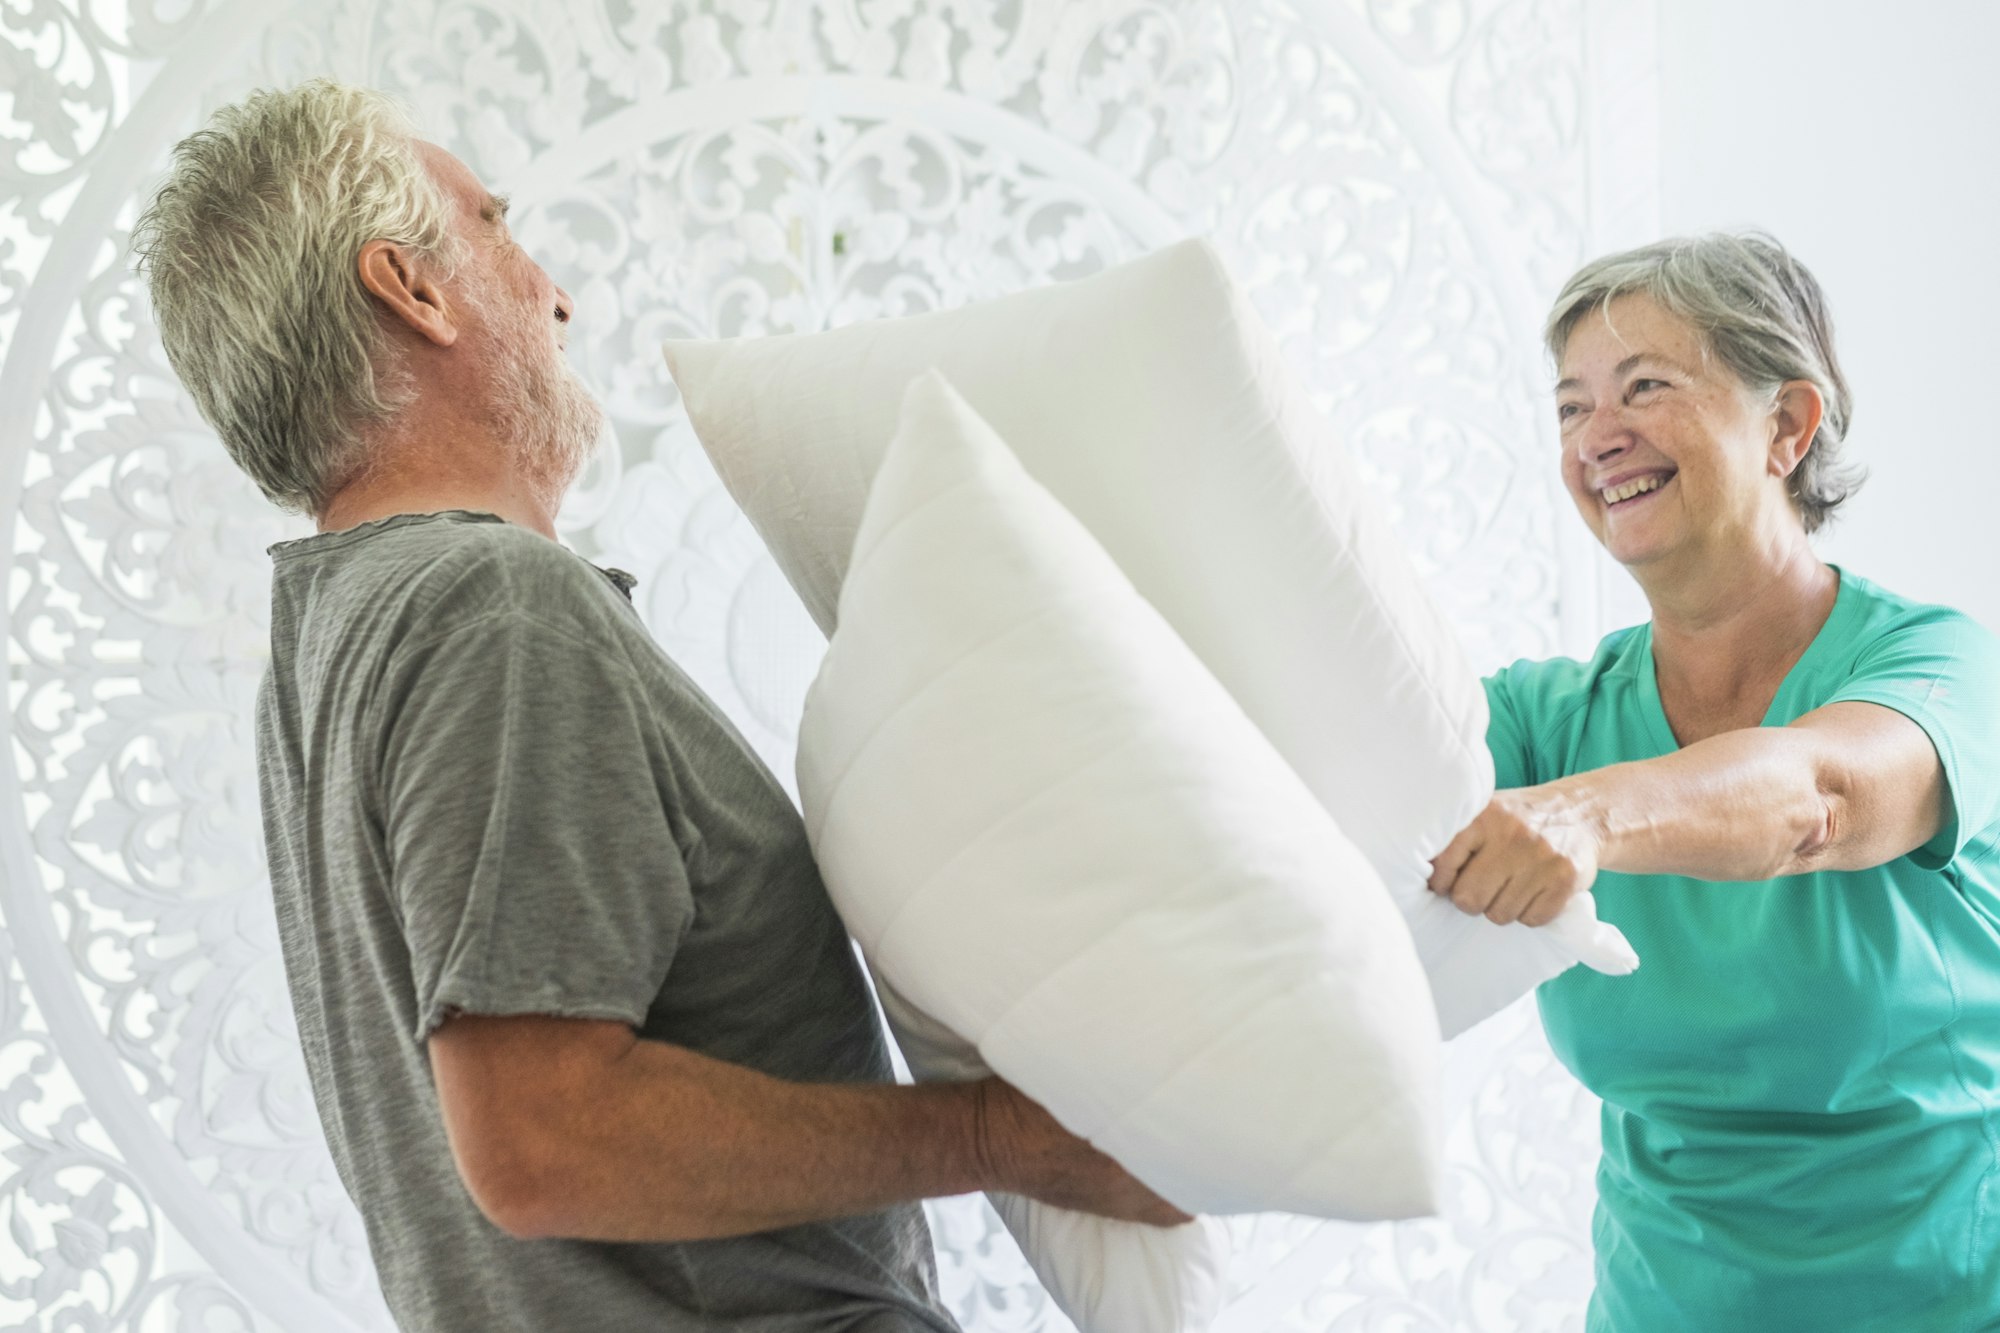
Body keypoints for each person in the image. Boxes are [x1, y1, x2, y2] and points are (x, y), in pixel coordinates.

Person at [131, 78, 1184, 1333]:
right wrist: (1011, 1138)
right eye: (493, 227)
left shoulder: (337, 635)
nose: (553, 292)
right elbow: (541, 1139)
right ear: (410, 290)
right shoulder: (488, 608)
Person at [1427, 232, 2000, 1330]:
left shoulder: (1939, 669)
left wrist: (1584, 815)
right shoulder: (1544, 721)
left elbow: (1817, 796)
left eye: (1642, 387)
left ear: (1786, 426)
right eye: (1567, 407)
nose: (1598, 437)